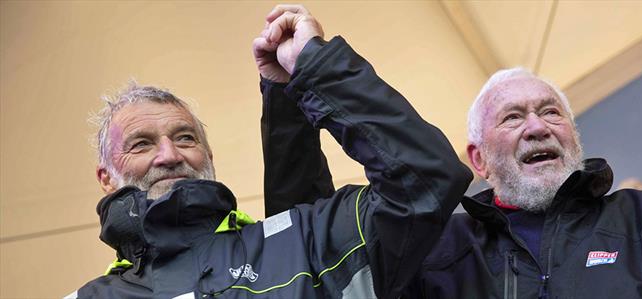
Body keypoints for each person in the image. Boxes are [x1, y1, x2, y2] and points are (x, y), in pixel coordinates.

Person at [262, 13, 642, 296]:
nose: (537, 126)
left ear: (573, 136)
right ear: (477, 159)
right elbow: (311, 260)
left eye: (551, 112)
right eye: (513, 117)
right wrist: (294, 94)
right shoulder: (430, 251)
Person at [67, 5, 471, 298]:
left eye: (186, 138)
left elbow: (426, 176)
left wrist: (314, 68)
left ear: (209, 157)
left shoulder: (304, 240)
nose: (169, 154)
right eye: (142, 144)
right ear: (105, 177)